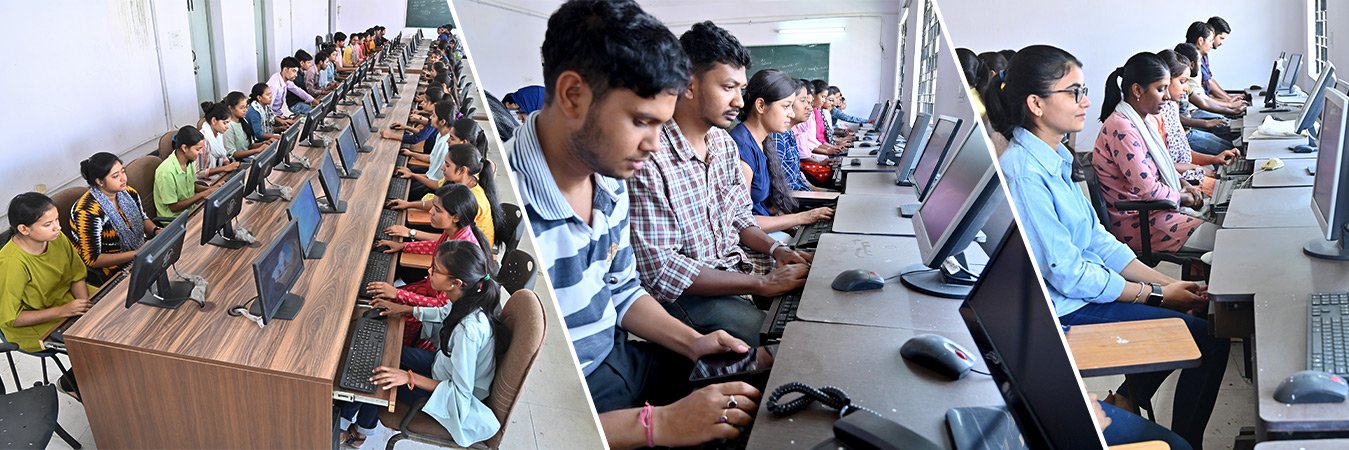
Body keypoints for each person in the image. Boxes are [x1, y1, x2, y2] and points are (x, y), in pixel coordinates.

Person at [507, 2, 761, 447]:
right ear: (573, 95)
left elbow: (622, 291)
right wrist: (658, 424)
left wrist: (692, 343)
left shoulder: (609, 180)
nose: (654, 145)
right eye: (642, 121)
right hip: (565, 398)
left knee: (756, 376)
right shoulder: (509, 208)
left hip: (617, 356)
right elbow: (518, 418)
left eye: (661, 125)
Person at [987, 44, 1226, 450]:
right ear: (1036, 104)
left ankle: (1134, 400)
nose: (1086, 101)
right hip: (1067, 312)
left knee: (1204, 325)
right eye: (1074, 92)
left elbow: (1099, 240)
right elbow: (1068, 274)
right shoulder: (1024, 173)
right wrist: (1155, 295)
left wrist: (1166, 286)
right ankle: (1175, 435)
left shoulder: (1054, 157)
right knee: (1205, 337)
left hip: (1083, 294)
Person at [630, 21, 811, 344]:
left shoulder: (723, 144)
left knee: (811, 298)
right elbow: (662, 269)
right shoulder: (648, 158)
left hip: (733, 269)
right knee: (786, 340)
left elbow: (740, 217)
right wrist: (761, 284)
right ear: (688, 85)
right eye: (728, 88)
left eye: (741, 89)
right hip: (685, 297)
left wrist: (777, 249)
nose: (740, 101)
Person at [338, 240, 507, 448]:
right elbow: (443, 313)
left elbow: (459, 392)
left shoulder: (468, 332)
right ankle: (347, 419)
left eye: (435, 269)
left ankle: (355, 431)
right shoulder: (467, 298)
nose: (429, 271)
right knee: (382, 354)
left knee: (381, 377)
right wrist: (404, 309)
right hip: (443, 366)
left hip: (454, 399)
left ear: (456, 282)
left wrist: (408, 377)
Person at [1093, 52, 1217, 254]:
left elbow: (1160, 168)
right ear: (1137, 90)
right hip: (1139, 221)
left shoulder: (1143, 121)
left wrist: (1183, 184)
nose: (1167, 96)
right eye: (1160, 89)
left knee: (1224, 222)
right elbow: (1148, 190)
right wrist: (1183, 198)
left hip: (1154, 211)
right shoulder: (1122, 128)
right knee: (1226, 240)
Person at [368, 183, 494, 348]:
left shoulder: (462, 251)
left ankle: (401, 352)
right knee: (382, 298)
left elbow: (441, 306)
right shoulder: (456, 233)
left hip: (437, 312)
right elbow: (436, 247)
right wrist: (403, 246)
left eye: (438, 210)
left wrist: (398, 294)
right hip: (432, 289)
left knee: (389, 325)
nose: (431, 212)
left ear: (455, 217)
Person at [0, 192, 89, 399]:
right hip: (33, 324)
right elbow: (11, 318)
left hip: (67, 300)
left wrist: (83, 303)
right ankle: (72, 383)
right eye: (48, 224)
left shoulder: (56, 238)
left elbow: (76, 274)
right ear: (24, 229)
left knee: (112, 314)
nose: (57, 227)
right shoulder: (10, 263)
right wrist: (64, 311)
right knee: (94, 341)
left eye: (56, 220)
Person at [732, 69, 834, 233]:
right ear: (761, 106)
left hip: (767, 223)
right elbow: (740, 221)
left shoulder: (764, 140)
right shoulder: (741, 147)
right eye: (786, 106)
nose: (791, 114)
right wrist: (802, 218)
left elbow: (765, 203)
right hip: (753, 233)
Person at [1155, 50, 1239, 195]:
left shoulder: (1171, 107)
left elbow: (1184, 154)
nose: (1186, 87)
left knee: (1233, 184)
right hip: (1177, 184)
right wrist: (1199, 169)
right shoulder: (1156, 116)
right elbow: (1163, 167)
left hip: (1187, 175)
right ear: (1166, 79)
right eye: (1182, 81)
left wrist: (1214, 159)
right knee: (1230, 191)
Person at [70, 153, 161, 286]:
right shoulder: (87, 211)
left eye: (123, 172)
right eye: (115, 176)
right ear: (99, 182)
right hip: (113, 271)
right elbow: (93, 260)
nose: (123, 178)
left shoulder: (128, 193)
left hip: (139, 252)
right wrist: (137, 253)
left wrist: (156, 230)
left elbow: (142, 218)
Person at [388, 143, 503, 247]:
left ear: (462, 170)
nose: (443, 167)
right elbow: (438, 202)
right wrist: (408, 204)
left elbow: (454, 239)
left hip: (469, 251)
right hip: (455, 238)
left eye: (447, 165)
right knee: (403, 223)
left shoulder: (472, 200)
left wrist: (410, 232)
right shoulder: (461, 182)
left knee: (403, 232)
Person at [1172, 43, 1240, 155]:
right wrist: (1207, 123)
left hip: (1189, 130)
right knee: (1226, 149)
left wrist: (1231, 108)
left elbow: (1202, 102)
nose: (1200, 65)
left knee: (1229, 146)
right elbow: (1176, 117)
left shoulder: (1185, 86)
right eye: (1199, 61)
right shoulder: (1172, 92)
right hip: (1185, 134)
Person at [154, 126, 218, 218]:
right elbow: (173, 207)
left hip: (191, 210)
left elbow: (192, 186)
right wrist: (202, 195)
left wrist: (210, 190)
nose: (201, 152)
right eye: (198, 149)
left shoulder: (189, 161)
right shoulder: (166, 172)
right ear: (184, 148)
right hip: (175, 219)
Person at [773, 80, 825, 191]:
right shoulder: (778, 137)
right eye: (803, 101)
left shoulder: (789, 133)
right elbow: (784, 188)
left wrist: (816, 190)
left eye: (809, 102)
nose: (810, 107)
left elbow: (796, 176)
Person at [1185, 22, 1246, 115]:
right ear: (1200, 41)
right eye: (1210, 40)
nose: (1211, 44)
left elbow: (1203, 95)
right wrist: (1229, 104)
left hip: (1199, 106)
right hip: (1194, 111)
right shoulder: (1191, 60)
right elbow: (1201, 98)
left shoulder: (1199, 57)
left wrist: (1228, 101)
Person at [197, 101, 242, 183]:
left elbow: (222, 155)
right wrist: (225, 168)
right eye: (225, 123)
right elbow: (198, 173)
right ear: (214, 120)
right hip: (206, 183)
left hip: (218, 177)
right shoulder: (202, 141)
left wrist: (227, 163)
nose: (228, 127)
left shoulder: (218, 135)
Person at [221, 91, 272, 160]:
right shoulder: (228, 126)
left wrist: (263, 143)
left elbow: (249, 146)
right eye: (242, 108)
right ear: (230, 108)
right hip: (238, 162)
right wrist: (257, 150)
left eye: (246, 107)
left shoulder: (243, 121)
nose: (245, 110)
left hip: (248, 157)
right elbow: (232, 154)